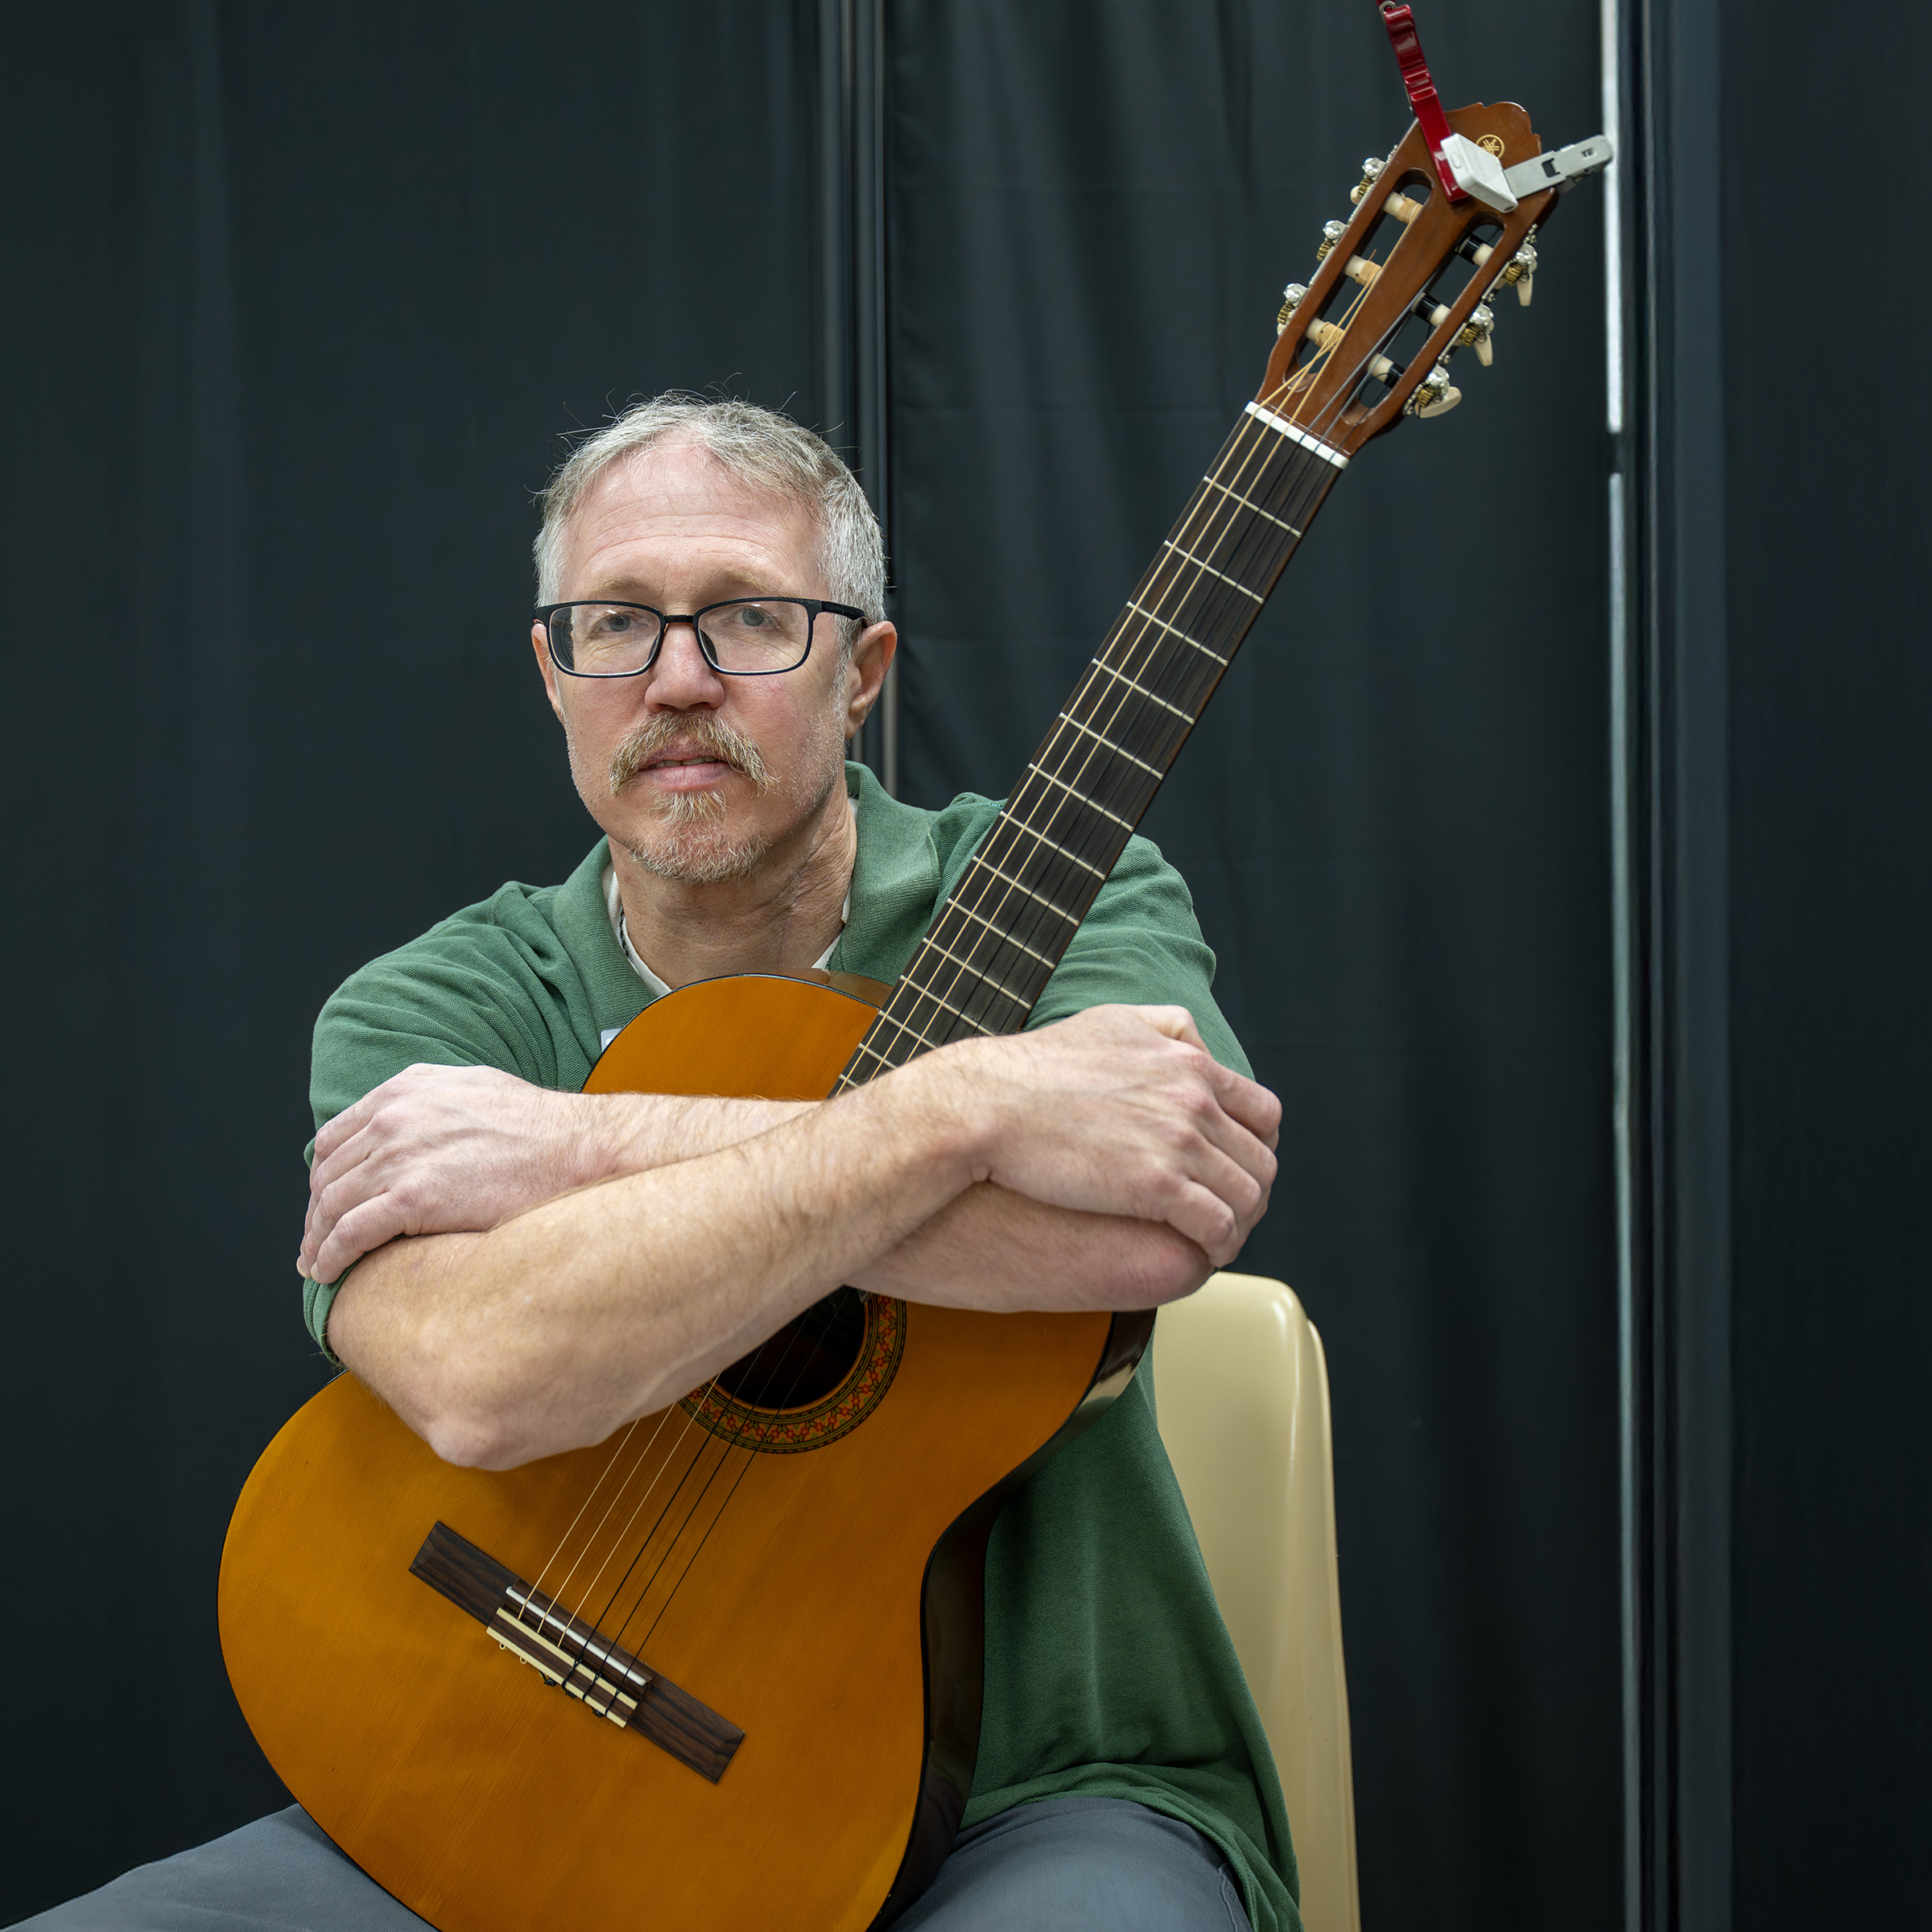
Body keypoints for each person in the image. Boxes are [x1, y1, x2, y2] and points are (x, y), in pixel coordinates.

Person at [27, 397, 1300, 1932]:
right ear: (554, 672)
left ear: (862, 675)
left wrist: (578, 1146)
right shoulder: (443, 1008)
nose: (680, 681)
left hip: (1032, 1798)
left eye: (752, 620)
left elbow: (1153, 1227)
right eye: (617, 624)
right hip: (483, 1745)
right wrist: (984, 1120)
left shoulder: (1068, 895)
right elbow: (480, 1372)